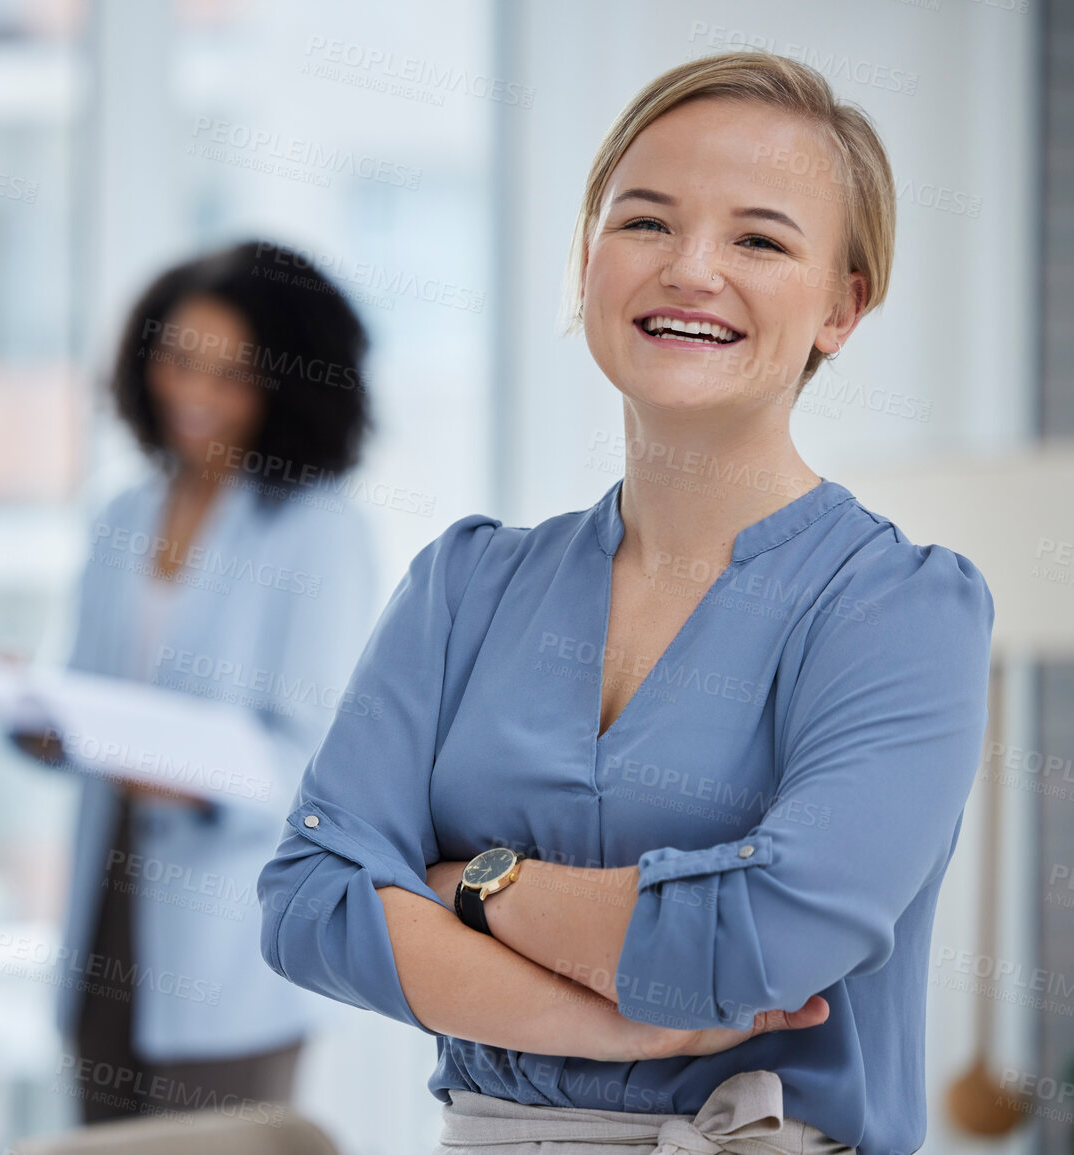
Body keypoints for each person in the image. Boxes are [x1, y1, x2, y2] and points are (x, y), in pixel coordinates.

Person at [258, 52, 993, 1155]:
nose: (691, 270)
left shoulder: (900, 610)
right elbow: (309, 903)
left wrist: (475, 883)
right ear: (589, 260)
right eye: (646, 222)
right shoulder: (465, 584)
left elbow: (757, 945)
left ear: (843, 306)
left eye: (758, 239)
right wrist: (618, 1029)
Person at [18, 241, 378, 1122]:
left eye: (230, 373)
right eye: (179, 360)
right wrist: (39, 716)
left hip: (230, 928)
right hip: (110, 897)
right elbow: (91, 694)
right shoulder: (122, 516)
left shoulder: (317, 533)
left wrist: (180, 776)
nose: (193, 393)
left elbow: (314, 763)